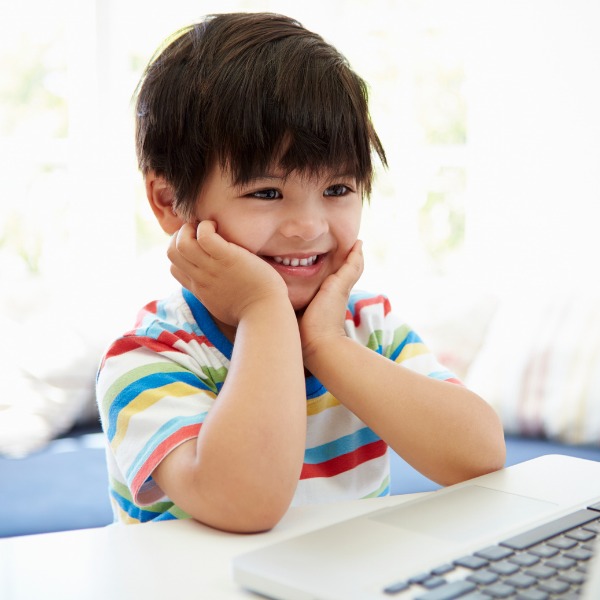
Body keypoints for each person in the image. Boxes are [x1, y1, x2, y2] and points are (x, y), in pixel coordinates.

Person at [95, 12, 505, 533]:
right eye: (267, 193)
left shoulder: (366, 328)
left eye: (337, 189)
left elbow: (480, 455)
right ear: (170, 200)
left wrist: (326, 346)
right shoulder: (149, 356)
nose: (308, 227)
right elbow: (245, 503)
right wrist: (265, 312)